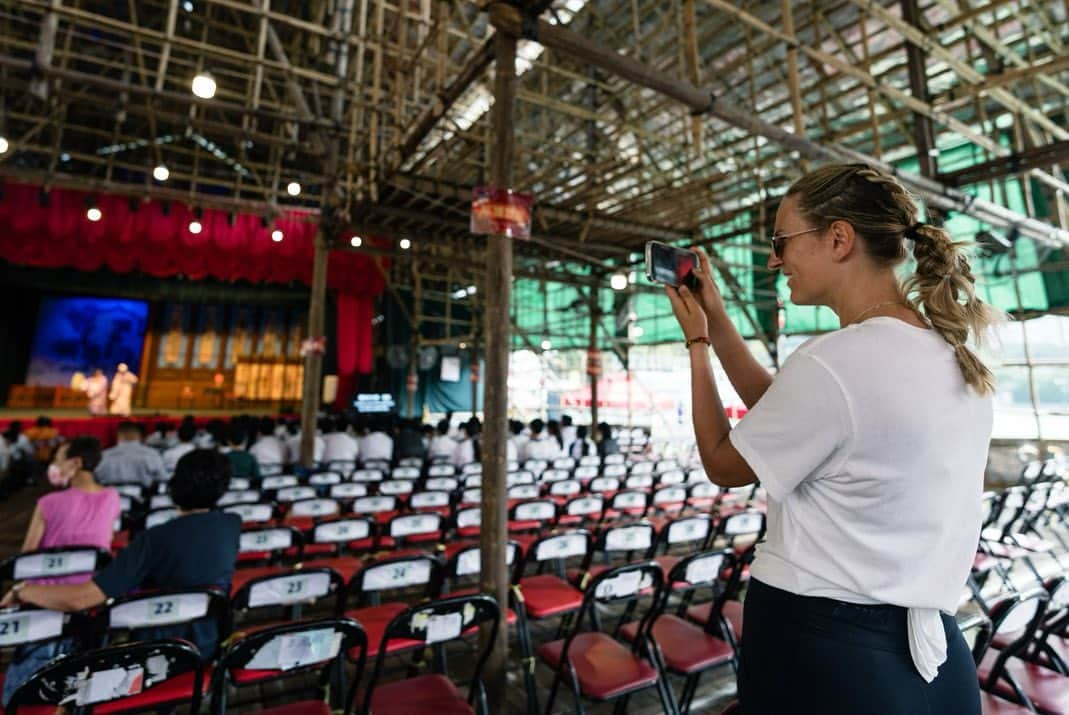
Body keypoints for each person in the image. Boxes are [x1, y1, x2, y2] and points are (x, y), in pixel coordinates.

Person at [664, 163, 998, 714]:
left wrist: (697, 343)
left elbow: (724, 464)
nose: (775, 259)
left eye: (781, 241)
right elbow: (797, 413)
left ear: (839, 238)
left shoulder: (835, 360)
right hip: (932, 652)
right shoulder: (952, 353)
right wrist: (719, 319)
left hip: (822, 641)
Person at [2, 450, 241, 680]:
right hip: (207, 648)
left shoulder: (154, 539)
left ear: (176, 483)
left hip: (156, 655)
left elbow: (83, 599)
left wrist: (23, 590)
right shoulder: (232, 525)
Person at [1, 437, 120, 704]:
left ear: (75, 463)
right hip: (88, 602)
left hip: (44, 604)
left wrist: (20, 590)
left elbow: (26, 559)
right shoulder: (112, 497)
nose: (53, 465)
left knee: (22, 695)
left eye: (58, 459)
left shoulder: (48, 502)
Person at [96, 422, 167, 488]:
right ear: (139, 435)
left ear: (117, 435)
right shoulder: (152, 454)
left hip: (111, 497)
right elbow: (162, 477)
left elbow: (97, 478)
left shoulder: (105, 455)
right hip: (143, 498)